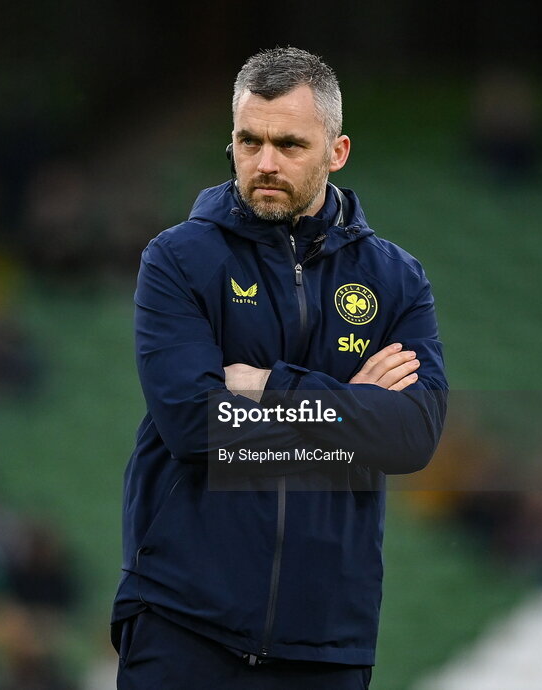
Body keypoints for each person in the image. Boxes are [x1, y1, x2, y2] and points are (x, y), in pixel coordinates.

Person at [111, 47, 447, 689]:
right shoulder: (178, 261)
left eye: (289, 145)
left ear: (337, 152)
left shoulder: (397, 280)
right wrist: (351, 418)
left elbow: (412, 436)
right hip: (183, 625)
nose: (264, 163)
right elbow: (198, 432)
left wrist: (270, 387)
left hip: (326, 645)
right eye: (249, 141)